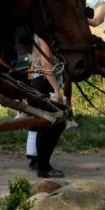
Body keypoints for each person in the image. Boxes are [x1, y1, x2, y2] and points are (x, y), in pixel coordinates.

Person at [24, 35, 66, 178]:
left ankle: (37, 160)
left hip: (37, 82)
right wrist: (56, 89)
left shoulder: (37, 33)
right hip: (43, 82)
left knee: (43, 124)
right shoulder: (44, 35)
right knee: (53, 124)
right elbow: (46, 63)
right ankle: (43, 167)